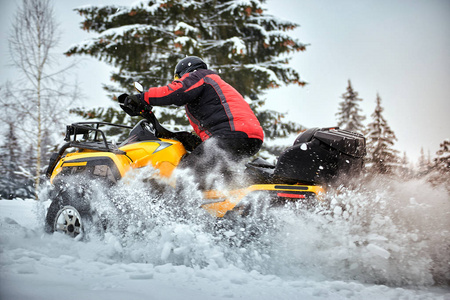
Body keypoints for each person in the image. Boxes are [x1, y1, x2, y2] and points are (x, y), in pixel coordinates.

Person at [125, 56, 264, 189]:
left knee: (183, 176)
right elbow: (218, 118)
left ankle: (176, 212)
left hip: (230, 134)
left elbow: (177, 91)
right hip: (250, 137)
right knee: (212, 178)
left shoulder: (200, 75)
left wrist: (143, 98)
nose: (178, 81)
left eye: (177, 79)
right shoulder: (214, 86)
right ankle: (221, 205)